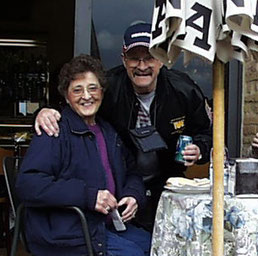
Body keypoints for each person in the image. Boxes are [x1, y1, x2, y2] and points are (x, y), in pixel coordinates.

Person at [16, 54, 153, 256]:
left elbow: (133, 172)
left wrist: (133, 195)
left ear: (102, 91)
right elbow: (28, 184)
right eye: (77, 89)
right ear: (66, 97)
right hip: (69, 224)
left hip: (104, 223)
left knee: (154, 245)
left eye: (92, 88)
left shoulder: (108, 130)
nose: (86, 96)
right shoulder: (55, 131)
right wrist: (89, 196)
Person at [34, 22, 212, 231]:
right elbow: (76, 105)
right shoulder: (108, 87)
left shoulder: (184, 90)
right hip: (120, 185)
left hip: (167, 184)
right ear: (124, 59)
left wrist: (200, 148)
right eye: (135, 58)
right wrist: (45, 111)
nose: (142, 65)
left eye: (150, 57)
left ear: (162, 60)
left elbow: (206, 134)